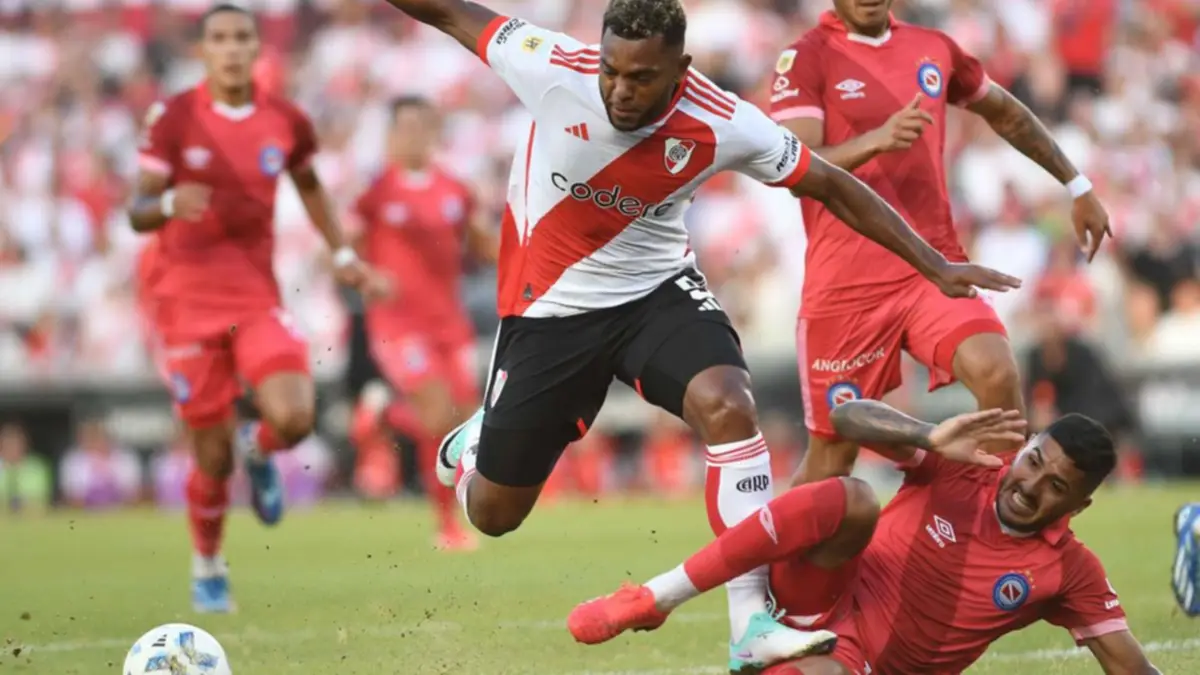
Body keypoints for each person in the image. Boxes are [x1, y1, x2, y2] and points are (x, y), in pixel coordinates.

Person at [378, 0, 1018, 669]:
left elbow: (831, 185)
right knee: (494, 514)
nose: (621, 91)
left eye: (641, 78)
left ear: (680, 69)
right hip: (551, 313)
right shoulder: (550, 64)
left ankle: (750, 623)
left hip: (655, 293)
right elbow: (447, 12)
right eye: (612, 72)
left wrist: (934, 263)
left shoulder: (724, 119)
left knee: (728, 403)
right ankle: (474, 443)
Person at [768, 0, 1113, 486]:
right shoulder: (806, 58)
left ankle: (991, 523)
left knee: (997, 374)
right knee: (831, 458)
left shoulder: (933, 47)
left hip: (934, 271)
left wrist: (1076, 184)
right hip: (847, 283)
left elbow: (1005, 113)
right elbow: (792, 165)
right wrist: (876, 140)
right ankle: (772, 541)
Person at [570, 401, 1163, 675]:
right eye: (1033, 461)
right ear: (1024, 447)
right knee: (853, 498)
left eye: (1056, 486)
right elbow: (845, 417)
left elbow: (1131, 668)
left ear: (1078, 506)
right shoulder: (964, 465)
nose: (1030, 486)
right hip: (817, 591)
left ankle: (760, 651)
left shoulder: (1070, 570)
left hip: (855, 661)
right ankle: (656, 598)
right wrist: (928, 435)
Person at [128, 4, 383, 613]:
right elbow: (137, 211)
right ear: (202, 50)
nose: (232, 48)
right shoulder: (174, 118)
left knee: (295, 418)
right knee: (210, 458)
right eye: (219, 38)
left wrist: (343, 251)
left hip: (254, 297)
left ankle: (260, 447)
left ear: (256, 48)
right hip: (185, 304)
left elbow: (310, 185)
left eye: (242, 37)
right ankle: (208, 566)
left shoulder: (284, 120)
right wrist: (169, 205)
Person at [352, 95, 497, 551]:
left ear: (434, 132)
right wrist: (368, 276)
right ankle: (446, 524)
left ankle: (385, 417)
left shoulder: (454, 190)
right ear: (391, 135)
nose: (414, 136)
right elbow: (343, 251)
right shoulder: (376, 192)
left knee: (463, 421)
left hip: (449, 323)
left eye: (422, 127)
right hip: (398, 324)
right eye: (406, 127)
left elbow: (483, 245)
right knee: (436, 414)